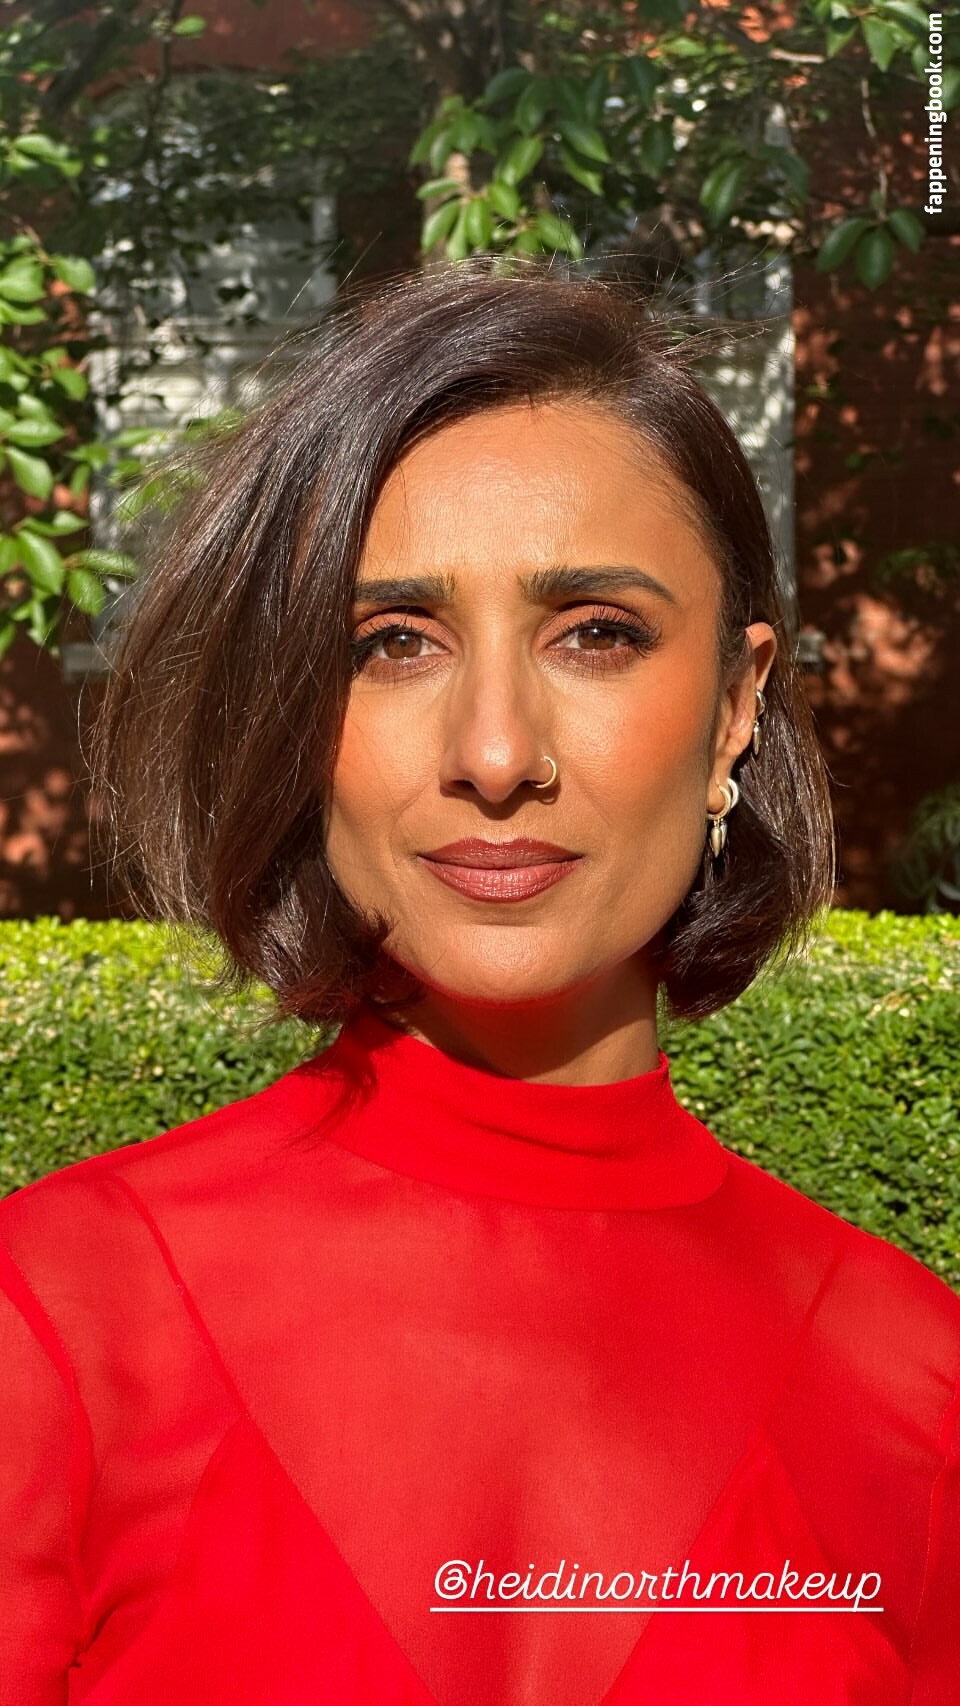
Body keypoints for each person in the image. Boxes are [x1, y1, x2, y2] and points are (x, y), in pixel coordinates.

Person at [1, 259, 957, 1706]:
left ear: (734, 708)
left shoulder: (919, 1395)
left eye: (596, 633)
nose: (496, 754)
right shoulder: (63, 1323)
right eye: (393, 644)